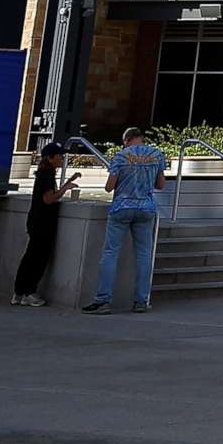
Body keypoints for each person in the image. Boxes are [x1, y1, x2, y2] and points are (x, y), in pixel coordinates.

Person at [84, 127, 167, 314]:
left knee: (111, 253)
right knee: (144, 255)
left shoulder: (121, 156)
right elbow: (161, 184)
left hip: (121, 207)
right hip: (146, 208)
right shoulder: (157, 155)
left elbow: (109, 187)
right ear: (141, 137)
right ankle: (140, 300)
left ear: (127, 139)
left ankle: (103, 299)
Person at [10, 141, 70, 306]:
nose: (61, 158)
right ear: (50, 158)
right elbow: (48, 199)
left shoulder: (43, 173)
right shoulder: (47, 175)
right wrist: (64, 189)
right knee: (38, 258)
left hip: (36, 220)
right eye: (59, 156)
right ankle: (29, 292)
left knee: (30, 256)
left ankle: (19, 292)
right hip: (43, 223)